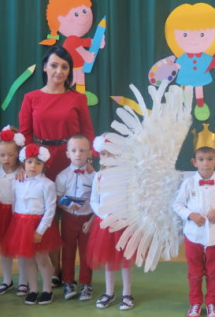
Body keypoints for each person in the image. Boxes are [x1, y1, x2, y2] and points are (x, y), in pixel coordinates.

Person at [19, 45, 95, 285]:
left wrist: (88, 159)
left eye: (64, 66)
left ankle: (74, 272)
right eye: (54, 65)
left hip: (71, 160)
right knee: (48, 216)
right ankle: (54, 270)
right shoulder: (31, 98)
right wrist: (26, 163)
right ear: (45, 67)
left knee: (72, 214)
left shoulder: (78, 98)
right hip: (41, 163)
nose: (59, 71)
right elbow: (25, 134)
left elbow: (88, 132)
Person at [172, 135, 215, 317]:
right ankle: (195, 303)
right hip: (193, 236)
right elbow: (177, 205)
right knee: (195, 273)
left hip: (214, 237)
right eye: (201, 159)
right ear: (194, 162)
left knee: (213, 274)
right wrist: (190, 215)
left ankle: (212, 303)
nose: (205, 163)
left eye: (209, 159)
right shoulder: (188, 183)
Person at [1, 144, 61, 306]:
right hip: (21, 224)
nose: (33, 166)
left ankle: (47, 290)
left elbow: (50, 209)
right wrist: (16, 225)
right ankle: (33, 290)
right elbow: (15, 202)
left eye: (38, 163)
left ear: (44, 165)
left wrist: (40, 230)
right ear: (23, 163)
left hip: (39, 226)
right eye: (29, 162)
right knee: (28, 260)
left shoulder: (47, 184)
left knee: (42, 259)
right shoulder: (17, 181)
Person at [87, 134, 136, 311]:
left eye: (111, 153)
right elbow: (94, 200)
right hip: (105, 224)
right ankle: (109, 292)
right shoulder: (99, 176)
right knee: (109, 260)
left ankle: (127, 293)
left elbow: (132, 199)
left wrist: (125, 216)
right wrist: (103, 214)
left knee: (125, 260)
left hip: (123, 224)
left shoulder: (127, 176)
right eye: (103, 154)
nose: (107, 157)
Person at [0, 126, 28, 297]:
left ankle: (24, 281)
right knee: (4, 248)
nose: (6, 158)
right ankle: (6, 280)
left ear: (18, 153)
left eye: (11, 154)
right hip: (1, 213)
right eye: (2, 155)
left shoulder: (23, 171)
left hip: (18, 214)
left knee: (22, 248)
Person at [55, 134, 95, 301]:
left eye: (82, 150)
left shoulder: (94, 176)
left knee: (87, 253)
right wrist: (67, 204)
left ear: (90, 153)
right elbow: (57, 198)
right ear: (67, 154)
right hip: (68, 219)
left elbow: (98, 200)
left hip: (87, 219)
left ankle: (86, 283)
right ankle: (68, 282)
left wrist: (91, 221)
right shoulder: (62, 176)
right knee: (68, 251)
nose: (78, 154)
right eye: (73, 150)